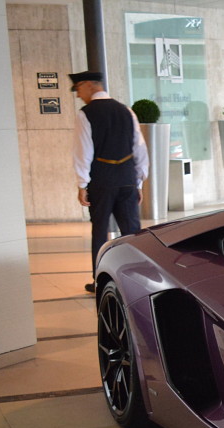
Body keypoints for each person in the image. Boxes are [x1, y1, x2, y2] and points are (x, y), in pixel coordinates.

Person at [69, 71, 148, 295]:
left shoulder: (86, 114)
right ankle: (137, 279)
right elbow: (139, 148)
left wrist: (82, 184)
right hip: (126, 180)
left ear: (87, 85)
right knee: (132, 233)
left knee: (100, 231)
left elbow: (83, 151)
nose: (78, 95)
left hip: (101, 181)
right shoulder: (127, 111)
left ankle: (99, 281)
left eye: (78, 90)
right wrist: (139, 182)